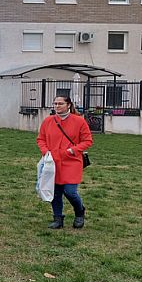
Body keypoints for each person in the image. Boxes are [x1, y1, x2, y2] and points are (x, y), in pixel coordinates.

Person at [36, 95, 93, 229]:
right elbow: (41, 139)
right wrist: (45, 151)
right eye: (55, 104)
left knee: (70, 191)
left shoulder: (79, 121)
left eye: (60, 104)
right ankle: (57, 218)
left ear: (68, 105)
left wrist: (73, 150)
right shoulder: (48, 121)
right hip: (53, 162)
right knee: (55, 192)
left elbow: (87, 141)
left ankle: (79, 212)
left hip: (72, 162)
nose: (57, 106)